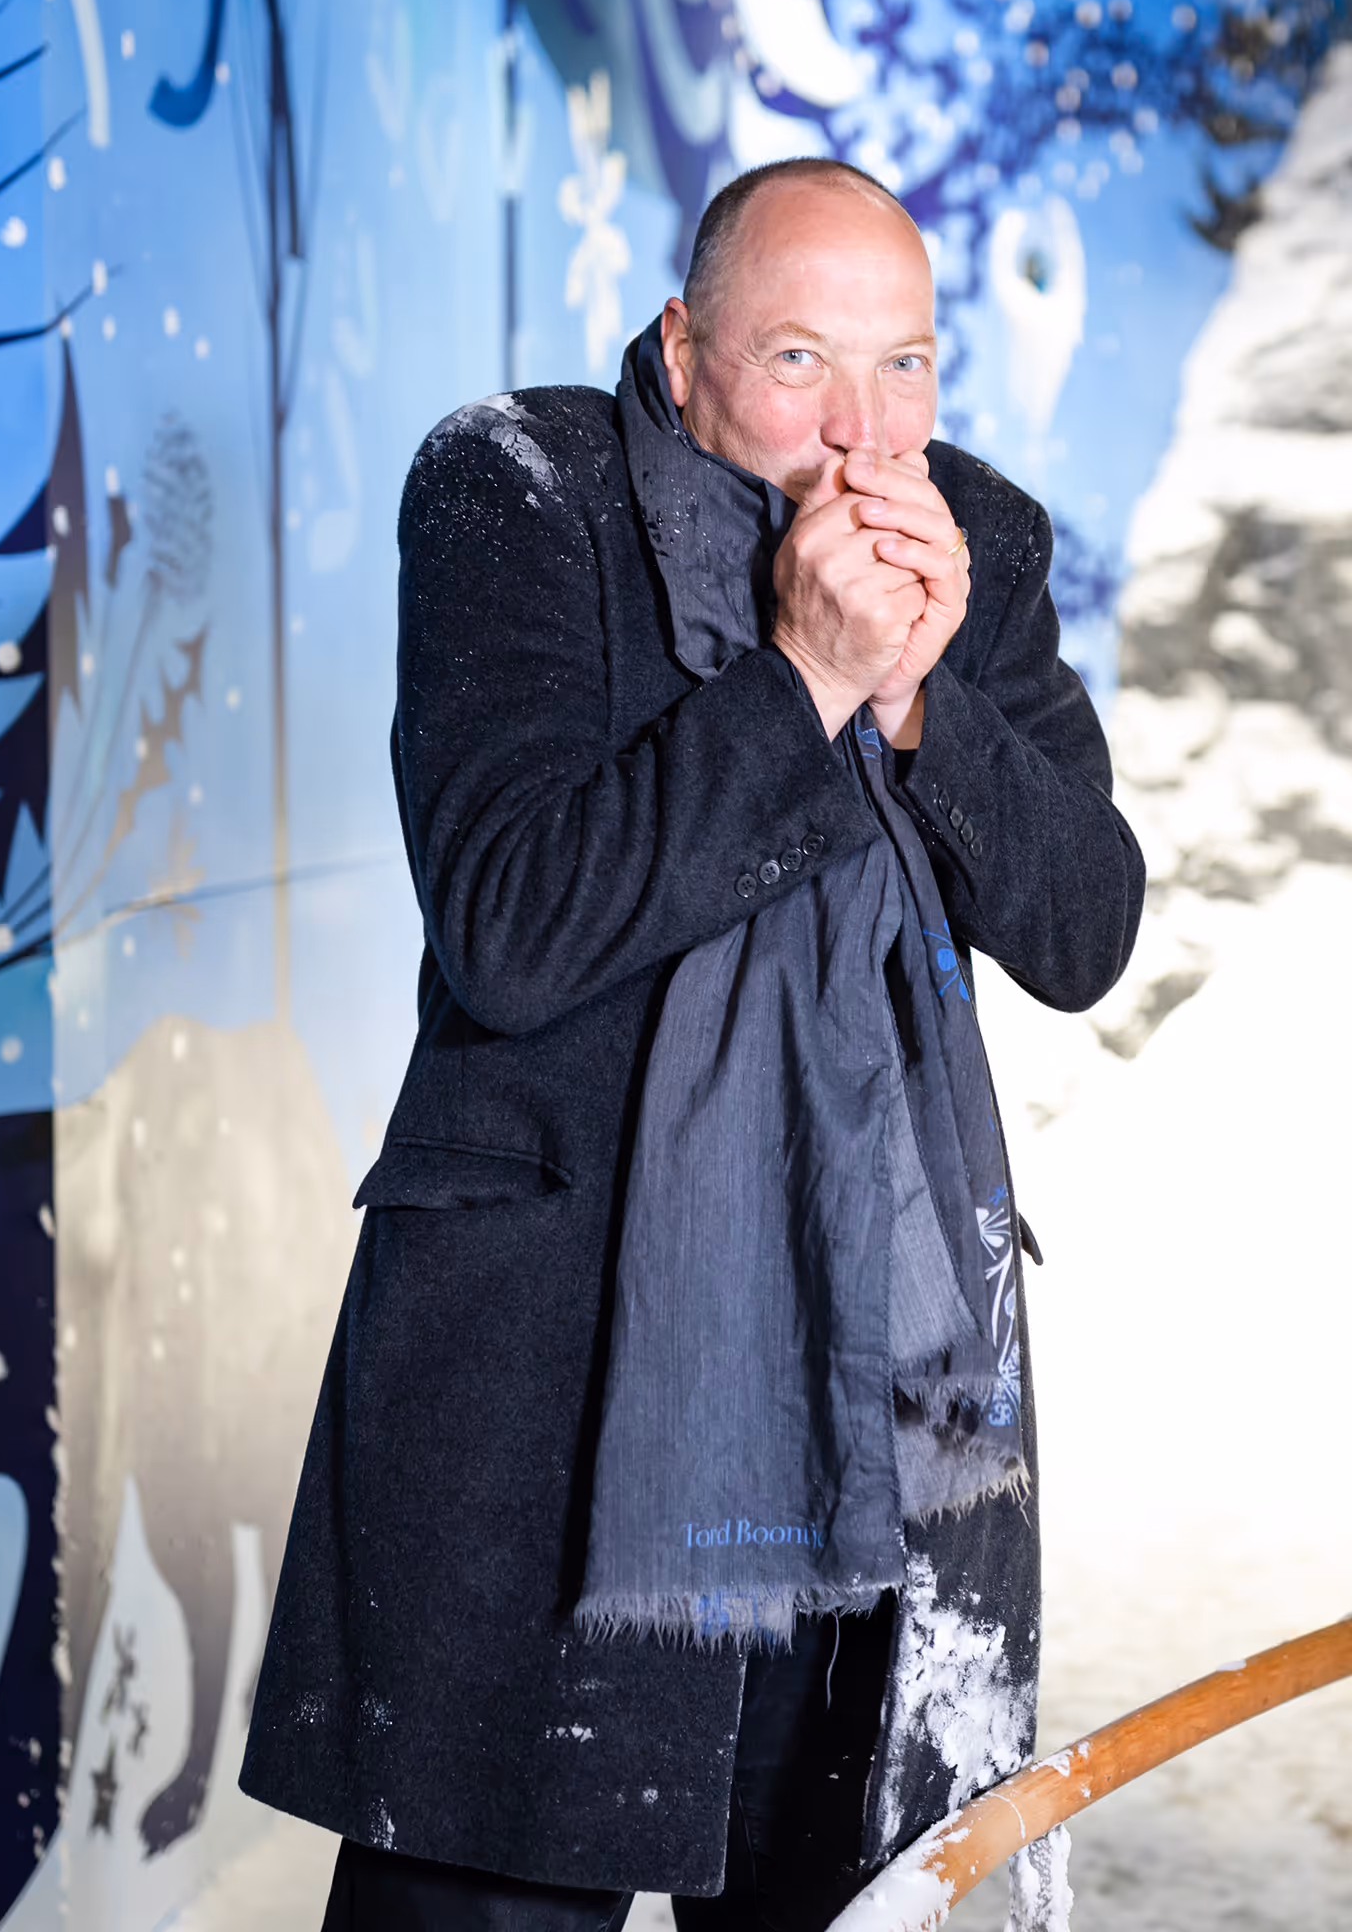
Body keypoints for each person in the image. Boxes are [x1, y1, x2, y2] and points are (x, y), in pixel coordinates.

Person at [239, 159, 1144, 1930]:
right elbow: (511, 929)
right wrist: (800, 679)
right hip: (550, 1394)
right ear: (682, 343)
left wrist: (918, 700)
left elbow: (1085, 930)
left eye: (906, 368)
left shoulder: (978, 544)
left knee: (840, 1897)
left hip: (878, 1396)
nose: (858, 430)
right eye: (799, 357)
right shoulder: (523, 490)